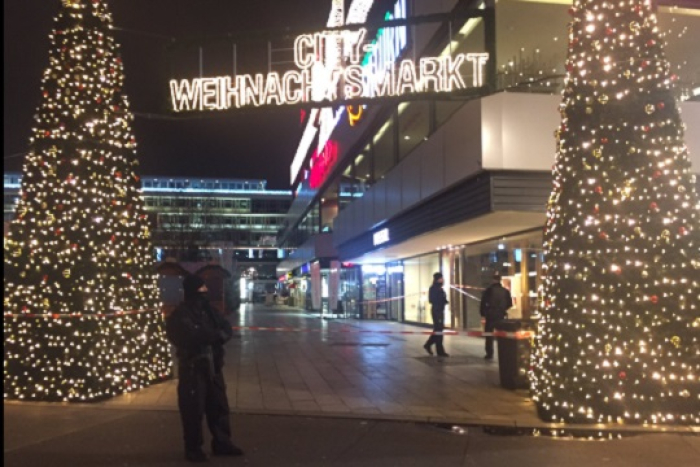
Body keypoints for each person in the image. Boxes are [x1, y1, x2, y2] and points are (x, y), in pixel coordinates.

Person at [165, 274, 243, 462]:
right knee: (193, 410)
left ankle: (222, 442)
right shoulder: (181, 314)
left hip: (213, 367)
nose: (205, 292)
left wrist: (213, 336)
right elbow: (189, 336)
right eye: (201, 289)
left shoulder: (210, 311)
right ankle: (193, 448)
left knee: (219, 407)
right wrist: (212, 336)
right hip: (193, 368)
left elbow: (226, 329)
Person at [480, 272, 513, 360]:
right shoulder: (505, 291)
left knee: (489, 334)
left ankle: (489, 353)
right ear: (500, 280)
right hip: (500, 315)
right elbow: (510, 304)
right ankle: (503, 353)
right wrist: (503, 309)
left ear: (493, 280)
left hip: (490, 315)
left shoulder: (488, 290)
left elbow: (483, 303)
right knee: (502, 335)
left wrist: (483, 313)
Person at [423, 272, 450, 357]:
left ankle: (429, 345)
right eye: (441, 278)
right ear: (437, 279)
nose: (442, 280)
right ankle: (438, 350)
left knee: (439, 330)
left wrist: (445, 301)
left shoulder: (440, 288)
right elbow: (432, 300)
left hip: (440, 310)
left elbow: (442, 298)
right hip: (436, 311)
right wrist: (441, 301)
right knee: (438, 330)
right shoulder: (433, 288)